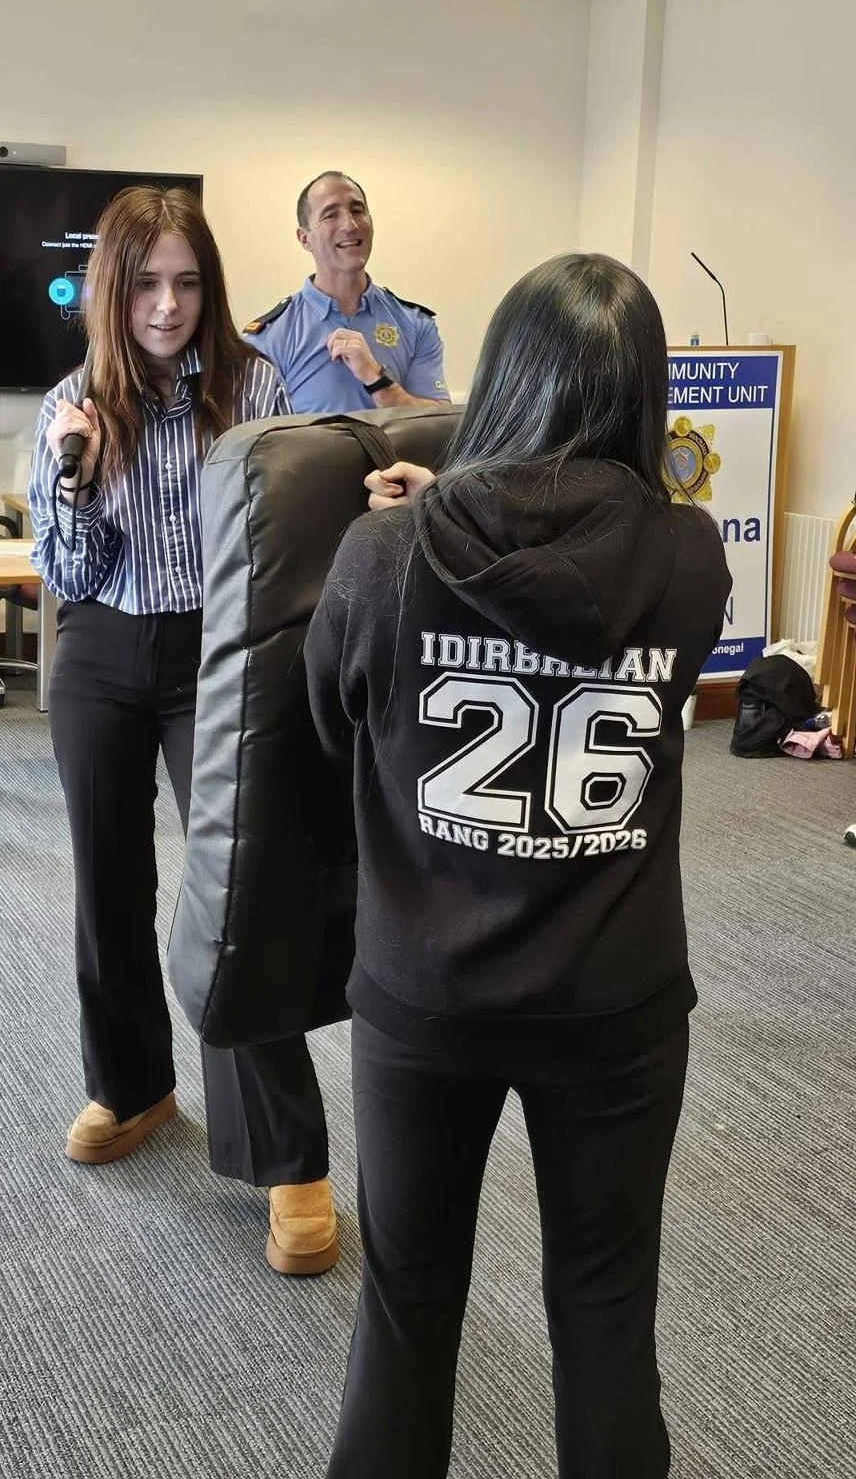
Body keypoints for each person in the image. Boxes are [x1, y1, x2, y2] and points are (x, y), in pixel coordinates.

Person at [304, 252, 732, 1475]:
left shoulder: (382, 557)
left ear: (501, 380)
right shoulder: (691, 558)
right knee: (606, 1314)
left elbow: (333, 726)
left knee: (407, 1306)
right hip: (615, 1002)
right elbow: (577, 568)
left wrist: (430, 517)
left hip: (424, 994)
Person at [28, 186, 338, 1276]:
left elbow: (293, 535)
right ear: (112, 292)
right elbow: (67, 575)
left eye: (188, 283)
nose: (168, 306)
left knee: (239, 895)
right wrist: (74, 475)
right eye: (147, 285)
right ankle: (132, 1087)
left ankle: (289, 1159)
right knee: (107, 883)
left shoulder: (254, 387)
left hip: (222, 649)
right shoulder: (71, 403)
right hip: (104, 652)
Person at [243, 171, 449, 413]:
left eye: (357, 210)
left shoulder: (415, 325)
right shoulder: (266, 339)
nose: (350, 225)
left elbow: (438, 423)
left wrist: (377, 380)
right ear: (304, 238)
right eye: (331, 215)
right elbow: (255, 432)